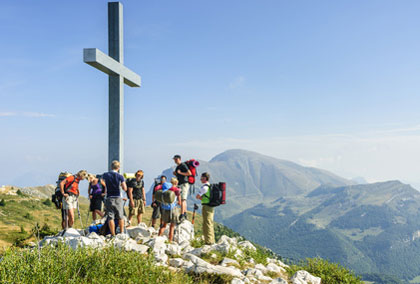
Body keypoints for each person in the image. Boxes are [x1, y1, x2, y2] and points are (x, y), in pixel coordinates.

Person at [102, 160, 127, 236]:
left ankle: (113, 234)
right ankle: (122, 232)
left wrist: (106, 186)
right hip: (118, 197)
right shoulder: (120, 176)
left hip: (109, 197)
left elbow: (101, 181)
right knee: (120, 216)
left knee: (110, 217)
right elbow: (124, 188)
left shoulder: (106, 175)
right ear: (118, 167)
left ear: (111, 166)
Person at [158, 178, 181, 242]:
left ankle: (158, 237)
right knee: (172, 226)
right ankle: (170, 240)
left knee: (164, 225)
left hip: (164, 209)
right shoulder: (175, 190)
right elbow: (179, 202)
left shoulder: (164, 191)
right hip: (173, 209)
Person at [196, 172, 215, 245]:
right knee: (210, 222)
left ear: (205, 178)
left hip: (206, 206)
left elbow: (197, 196)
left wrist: (200, 198)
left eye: (202, 178)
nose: (200, 179)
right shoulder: (209, 186)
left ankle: (209, 241)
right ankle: (211, 239)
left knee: (207, 223)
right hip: (210, 206)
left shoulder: (204, 187)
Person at [173, 155, 191, 221]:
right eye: (174, 159)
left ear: (179, 159)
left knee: (183, 199)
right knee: (183, 199)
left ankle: (182, 214)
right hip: (181, 184)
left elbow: (189, 173)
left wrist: (180, 173)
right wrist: (176, 174)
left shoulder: (183, 165)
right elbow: (178, 174)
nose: (175, 160)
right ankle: (185, 213)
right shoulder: (178, 167)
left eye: (176, 159)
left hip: (184, 184)